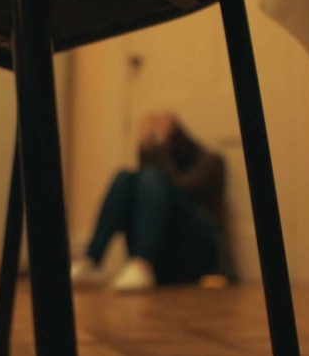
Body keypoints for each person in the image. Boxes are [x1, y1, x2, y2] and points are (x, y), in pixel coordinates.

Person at [71, 112, 230, 292]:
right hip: (163, 256)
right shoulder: (156, 172)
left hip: (197, 255)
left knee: (152, 176)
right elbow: (147, 196)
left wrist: (161, 145)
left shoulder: (212, 162)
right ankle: (91, 261)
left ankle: (142, 263)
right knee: (124, 177)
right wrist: (145, 147)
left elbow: (173, 186)